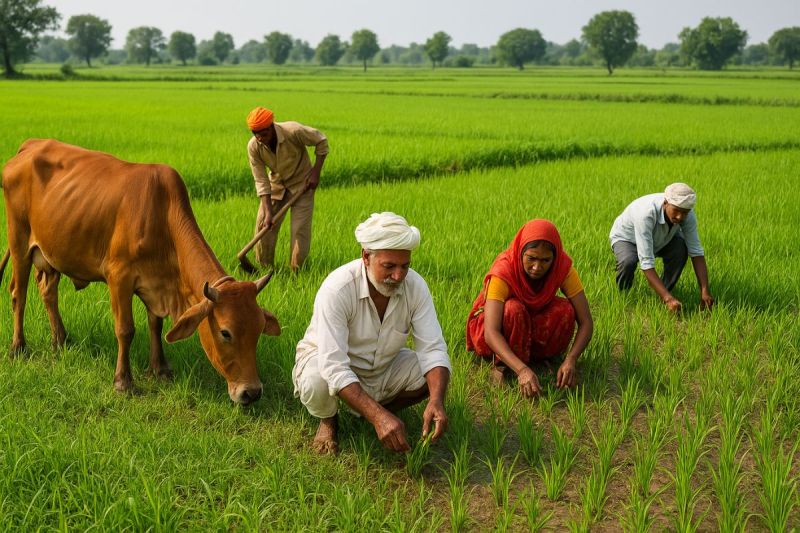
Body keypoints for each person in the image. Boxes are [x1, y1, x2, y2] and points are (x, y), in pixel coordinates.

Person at [293, 212, 451, 455]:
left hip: (382, 367)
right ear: (366, 257)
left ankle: (370, 413)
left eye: (404, 266)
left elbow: (433, 349)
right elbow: (334, 366)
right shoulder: (338, 289)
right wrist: (378, 417)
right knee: (317, 379)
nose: (398, 276)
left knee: (431, 374)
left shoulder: (415, 287)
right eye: (389, 266)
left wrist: (436, 401)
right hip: (327, 361)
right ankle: (329, 419)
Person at [466, 219, 593, 398]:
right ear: (521, 252)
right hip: (499, 326)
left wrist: (571, 359)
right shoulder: (503, 271)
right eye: (531, 258)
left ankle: (539, 359)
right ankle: (502, 365)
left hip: (530, 321)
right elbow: (490, 332)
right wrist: (522, 370)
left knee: (565, 310)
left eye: (545, 260)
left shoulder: (562, 268)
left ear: (554, 259)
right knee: (514, 309)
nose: (537, 267)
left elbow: (586, 321)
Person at [246, 106, 329, 271]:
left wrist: (315, 173)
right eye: (256, 133)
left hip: (303, 184)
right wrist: (269, 212)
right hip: (277, 185)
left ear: (271, 126)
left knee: (300, 230)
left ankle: (296, 272)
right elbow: (261, 180)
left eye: (263, 133)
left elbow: (321, 141)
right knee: (264, 224)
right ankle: (265, 270)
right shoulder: (254, 146)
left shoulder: (293, 131)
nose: (260, 137)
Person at [609, 182, 714, 313]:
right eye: (676, 210)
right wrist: (668, 299)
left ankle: (664, 292)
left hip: (661, 239)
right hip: (628, 239)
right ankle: (623, 294)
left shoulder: (687, 215)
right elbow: (646, 262)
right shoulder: (645, 214)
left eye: (685, 213)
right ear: (665, 203)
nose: (680, 217)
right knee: (628, 261)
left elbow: (696, 252)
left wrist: (704, 290)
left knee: (681, 249)